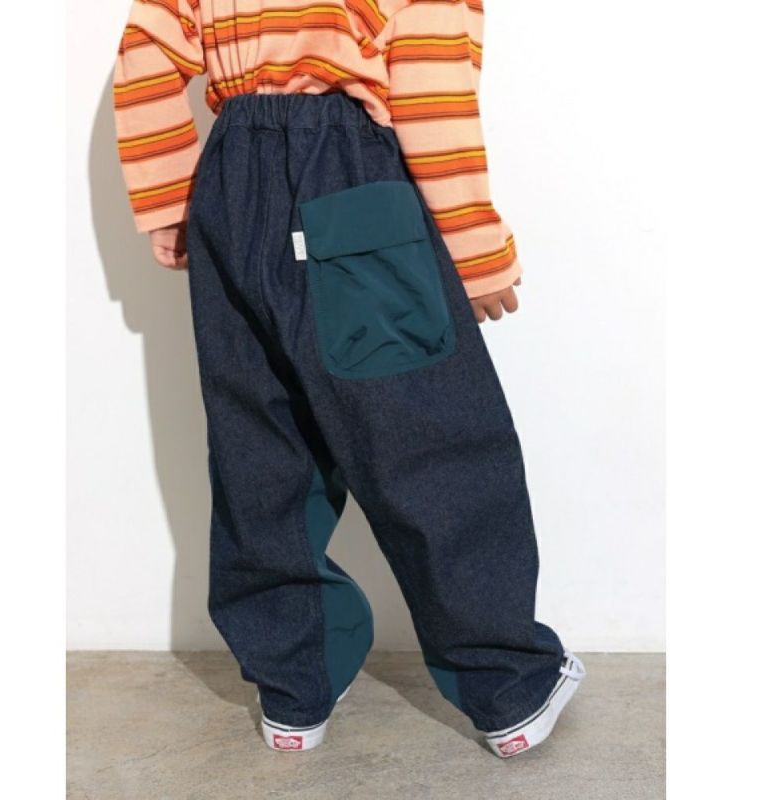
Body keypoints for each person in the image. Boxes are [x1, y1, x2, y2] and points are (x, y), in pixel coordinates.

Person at [113, 0, 585, 757]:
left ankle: (292, 692)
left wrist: (170, 200)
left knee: (261, 444)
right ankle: (508, 689)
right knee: (429, 439)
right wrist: (474, 244)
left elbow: (146, 51)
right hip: (349, 176)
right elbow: (429, 82)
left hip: (229, 184)